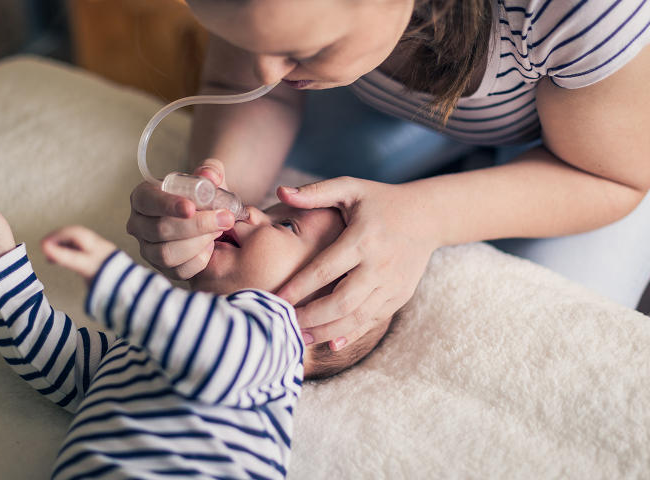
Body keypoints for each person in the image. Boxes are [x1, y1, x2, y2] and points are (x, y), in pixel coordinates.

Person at [127, 0, 650, 352]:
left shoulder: (583, 12)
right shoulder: (282, 33)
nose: (264, 73)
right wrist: (213, 198)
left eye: (302, 51)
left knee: (552, 323)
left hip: (593, 154)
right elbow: (251, 88)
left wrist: (426, 216)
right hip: (383, 106)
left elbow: (612, 178)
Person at [0, 184, 391, 479]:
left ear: (328, 311)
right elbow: (57, 362)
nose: (252, 211)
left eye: (286, 225)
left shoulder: (275, 337)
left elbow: (211, 351)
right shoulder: (147, 342)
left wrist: (120, 282)